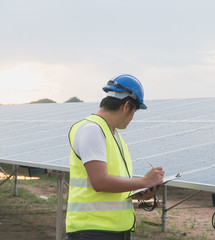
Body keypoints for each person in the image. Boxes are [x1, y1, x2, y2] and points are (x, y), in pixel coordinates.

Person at [66, 74, 165, 240]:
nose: (132, 118)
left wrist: (140, 193)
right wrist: (145, 181)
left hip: (113, 230)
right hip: (93, 231)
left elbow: (113, 185)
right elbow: (100, 182)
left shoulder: (112, 133)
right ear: (127, 106)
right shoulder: (92, 130)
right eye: (135, 111)